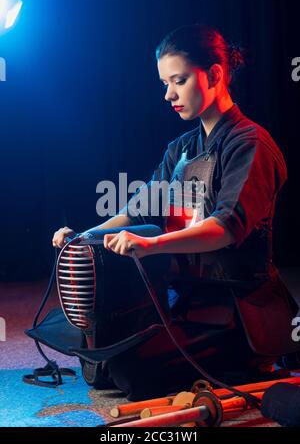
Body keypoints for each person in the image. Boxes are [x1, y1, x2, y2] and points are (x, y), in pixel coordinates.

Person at [52, 24, 298, 401]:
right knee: (99, 367)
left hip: (238, 304)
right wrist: (84, 236)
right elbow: (136, 211)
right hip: (188, 298)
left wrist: (151, 245)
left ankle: (253, 359)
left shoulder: (251, 144)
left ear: (214, 74)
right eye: (165, 83)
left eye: (178, 80)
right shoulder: (180, 148)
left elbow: (226, 227)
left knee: (132, 375)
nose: (169, 94)